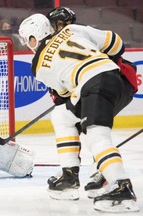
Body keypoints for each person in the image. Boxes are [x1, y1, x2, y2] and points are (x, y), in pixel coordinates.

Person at [18, 12, 138, 213]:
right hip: (118, 80)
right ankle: (69, 175)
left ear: (33, 38)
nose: (26, 45)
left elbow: (64, 92)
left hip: (93, 85)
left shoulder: (37, 65)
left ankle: (121, 186)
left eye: (26, 40)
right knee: (62, 116)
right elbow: (117, 44)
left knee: (96, 136)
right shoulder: (71, 29)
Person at [46, 6, 139, 197]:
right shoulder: (60, 47)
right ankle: (91, 170)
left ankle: (106, 175)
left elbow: (116, 47)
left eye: (63, 24)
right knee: (80, 123)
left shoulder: (79, 34)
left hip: (113, 81)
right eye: (58, 25)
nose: (61, 28)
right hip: (114, 84)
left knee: (94, 130)